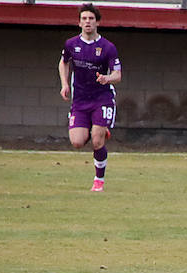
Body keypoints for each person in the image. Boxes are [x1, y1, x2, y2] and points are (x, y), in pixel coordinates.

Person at [58, 4, 120, 192]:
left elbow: (118, 75)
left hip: (102, 98)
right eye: (84, 19)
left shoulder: (107, 47)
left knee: (97, 141)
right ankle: (97, 131)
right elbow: (63, 63)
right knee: (77, 141)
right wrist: (65, 83)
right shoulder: (71, 44)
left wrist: (106, 78)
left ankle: (98, 180)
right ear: (79, 22)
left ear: (97, 22)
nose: (87, 22)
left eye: (91, 19)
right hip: (80, 100)